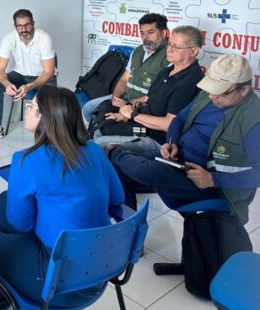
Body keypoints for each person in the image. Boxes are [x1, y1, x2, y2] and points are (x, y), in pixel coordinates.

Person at [0, 86, 124, 304]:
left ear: (46, 118)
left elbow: (20, 224)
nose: (27, 110)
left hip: (59, 281)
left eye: (31, 107)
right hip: (102, 265)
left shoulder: (27, 161)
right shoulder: (95, 150)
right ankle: (25, 262)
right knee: (2, 202)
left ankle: (4, 301)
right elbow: (117, 199)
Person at [108, 54, 260, 224]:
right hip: (179, 159)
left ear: (244, 91)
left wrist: (213, 179)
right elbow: (179, 119)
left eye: (219, 92)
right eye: (210, 89)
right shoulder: (208, 96)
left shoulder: (254, 121)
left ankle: (113, 151)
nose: (211, 96)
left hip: (212, 183)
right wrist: (171, 142)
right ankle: (131, 234)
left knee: (145, 170)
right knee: (118, 170)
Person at [94, 25, 204, 153]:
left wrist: (132, 115)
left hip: (157, 139)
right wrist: (124, 113)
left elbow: (169, 124)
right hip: (142, 124)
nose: (169, 50)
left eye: (176, 47)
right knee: (99, 127)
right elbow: (148, 99)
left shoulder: (189, 82)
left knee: (100, 143)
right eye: (169, 44)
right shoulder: (167, 71)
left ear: (194, 51)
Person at [0, 9, 56, 145]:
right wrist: (6, 84)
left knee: (50, 96)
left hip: (42, 77)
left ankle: (50, 133)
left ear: (33, 23)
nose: (24, 29)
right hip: (20, 75)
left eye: (27, 25)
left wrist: (30, 86)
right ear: (15, 27)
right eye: (20, 26)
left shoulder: (44, 38)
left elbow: (49, 72)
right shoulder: (9, 39)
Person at [83, 13, 169, 122]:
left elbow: (158, 97)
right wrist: (116, 98)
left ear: (164, 33)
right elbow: (124, 80)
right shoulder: (137, 51)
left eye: (150, 33)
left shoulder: (170, 57)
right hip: (125, 99)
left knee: (107, 123)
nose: (145, 37)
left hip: (144, 106)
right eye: (142, 33)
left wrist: (128, 105)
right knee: (88, 109)